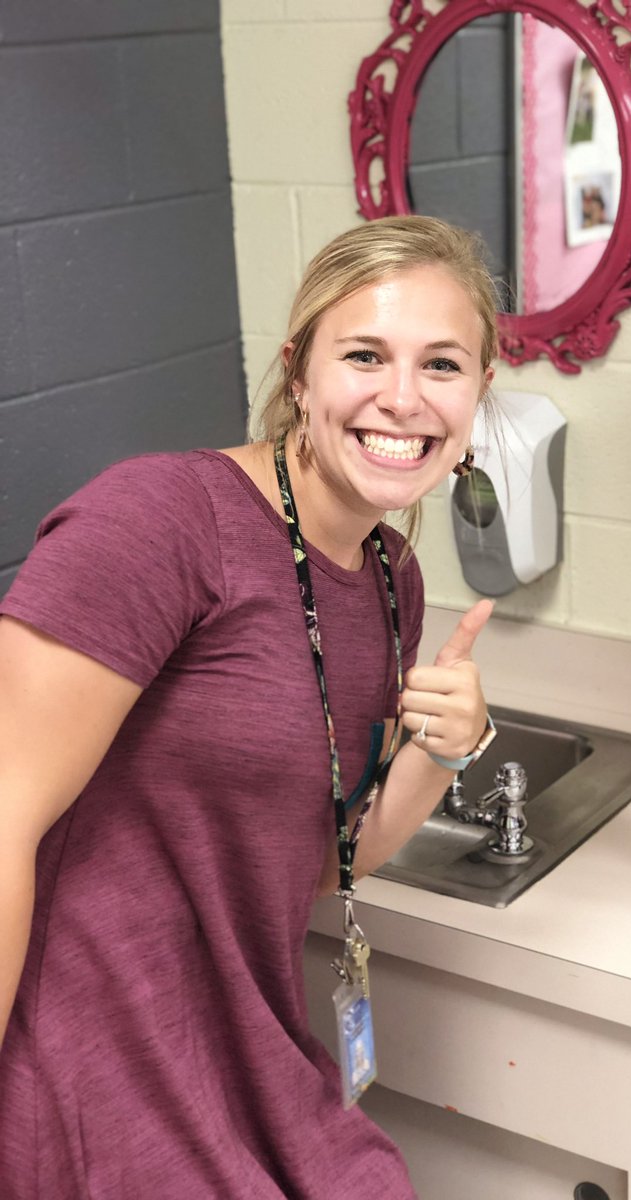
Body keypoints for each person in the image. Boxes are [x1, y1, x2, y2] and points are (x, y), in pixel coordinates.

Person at [0, 215, 499, 1198]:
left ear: (481, 394)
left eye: (442, 364)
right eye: (365, 355)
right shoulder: (160, 521)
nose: (403, 397)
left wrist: (443, 753)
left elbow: (318, 863)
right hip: (79, 1067)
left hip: (246, 1055)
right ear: (300, 375)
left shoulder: (391, 579)